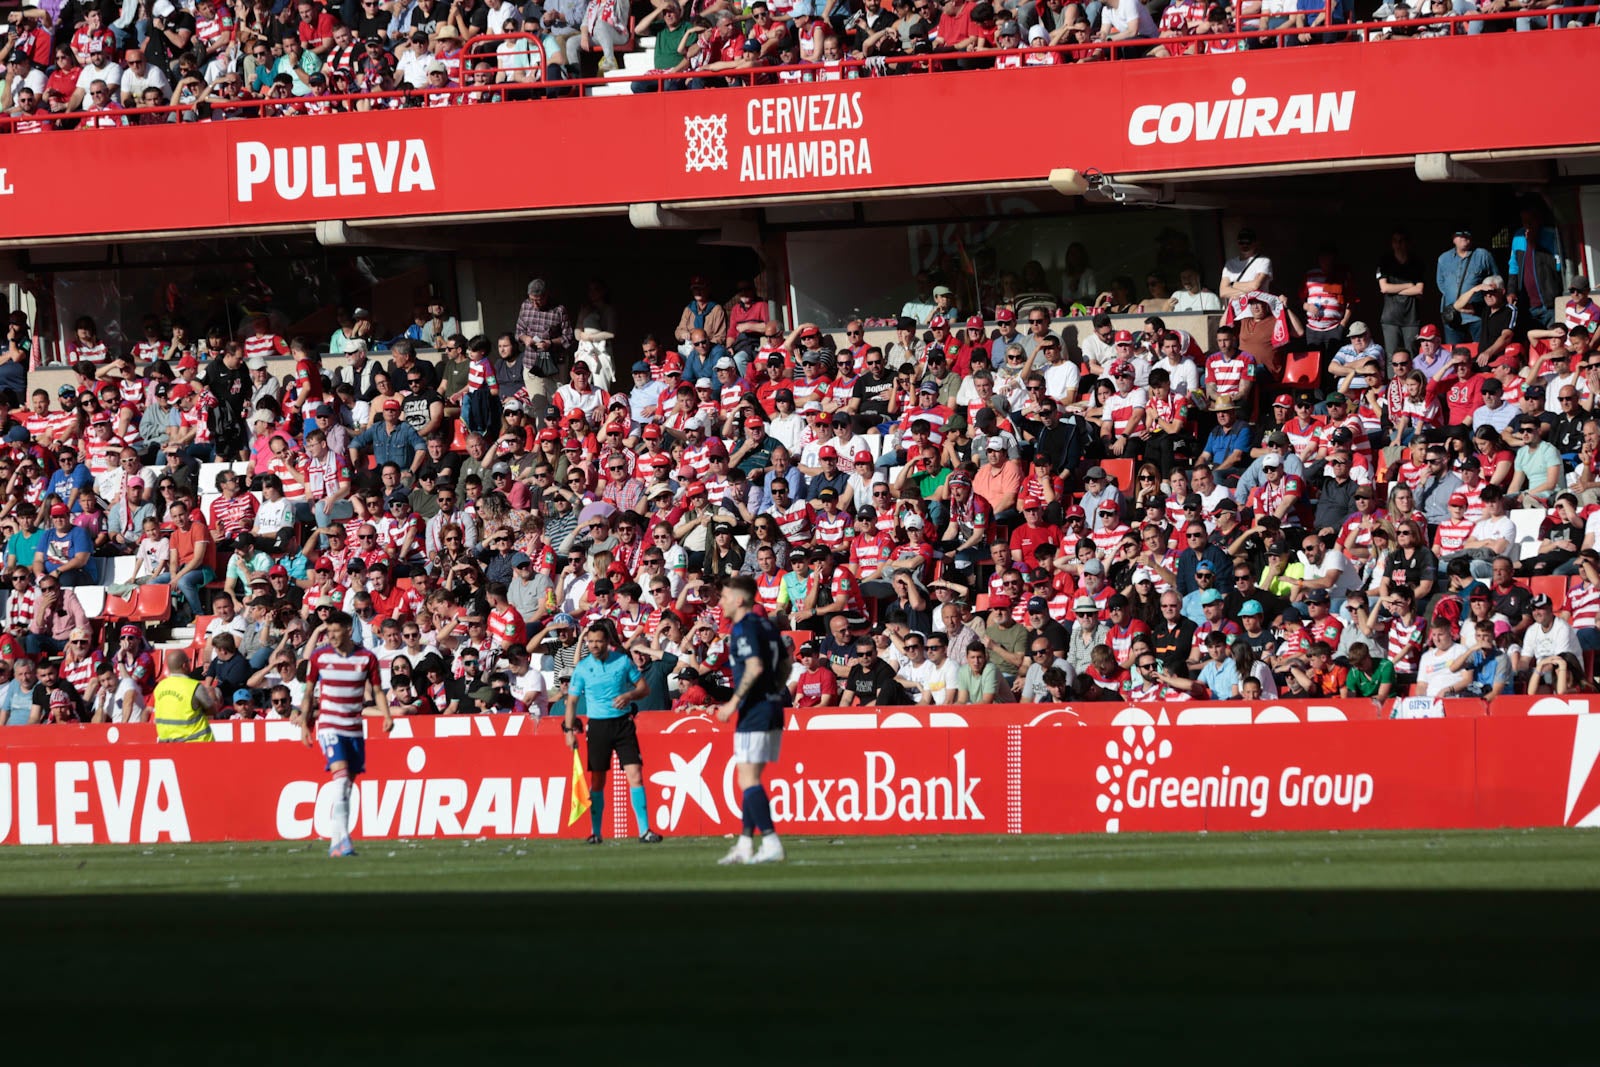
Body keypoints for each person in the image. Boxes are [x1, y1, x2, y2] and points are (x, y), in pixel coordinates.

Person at [295, 609, 393, 858]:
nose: (332, 636)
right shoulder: (319, 657)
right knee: (340, 780)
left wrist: (387, 716)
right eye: (329, 632)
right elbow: (308, 693)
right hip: (329, 726)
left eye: (336, 631)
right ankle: (343, 841)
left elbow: (378, 691)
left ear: (348, 630)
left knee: (347, 785)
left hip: (354, 728)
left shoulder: (366, 658)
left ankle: (337, 842)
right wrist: (306, 723)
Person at [714, 575, 791, 866]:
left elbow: (756, 666)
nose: (721, 602)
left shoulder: (744, 627)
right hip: (771, 706)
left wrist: (733, 703)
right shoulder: (766, 626)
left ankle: (770, 841)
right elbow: (785, 663)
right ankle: (746, 844)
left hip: (755, 709)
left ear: (740, 599)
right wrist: (774, 690)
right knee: (750, 779)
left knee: (747, 780)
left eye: (724, 597)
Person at [560, 622, 659, 845]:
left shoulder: (622, 662)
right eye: (591, 641)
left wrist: (629, 696)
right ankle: (596, 832)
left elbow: (644, 689)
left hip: (623, 724)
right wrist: (568, 731)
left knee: (635, 774)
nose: (594, 645)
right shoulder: (583, 668)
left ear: (607, 642)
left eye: (598, 641)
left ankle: (645, 831)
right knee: (597, 780)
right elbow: (572, 702)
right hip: (598, 726)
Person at [152, 649, 222, 743]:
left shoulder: (159, 687)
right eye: (189, 661)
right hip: (197, 743)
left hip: (167, 743)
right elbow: (212, 710)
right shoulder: (194, 686)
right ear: (184, 665)